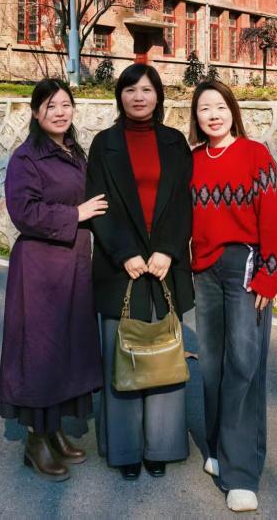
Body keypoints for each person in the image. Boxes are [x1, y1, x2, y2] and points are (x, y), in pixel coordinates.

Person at [86, 63, 194, 481]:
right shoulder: (104, 144)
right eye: (130, 90)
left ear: (158, 96)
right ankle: (125, 448)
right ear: (120, 96)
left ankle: (161, 446)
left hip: (165, 266)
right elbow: (98, 204)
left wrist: (169, 249)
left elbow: (184, 201)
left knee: (163, 354)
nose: (138, 97)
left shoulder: (174, 142)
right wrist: (124, 253)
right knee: (124, 356)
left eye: (147, 90)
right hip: (121, 268)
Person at [0, 78, 107, 480]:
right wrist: (75, 214)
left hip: (74, 264)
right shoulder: (26, 158)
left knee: (67, 348)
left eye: (65, 104)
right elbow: (24, 212)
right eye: (50, 106)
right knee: (41, 352)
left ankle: (54, 428)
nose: (60, 112)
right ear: (35, 112)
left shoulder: (74, 151)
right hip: (40, 269)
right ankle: (35, 440)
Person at [189, 80, 277, 513]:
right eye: (204, 108)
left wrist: (270, 275)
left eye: (219, 106)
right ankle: (217, 447)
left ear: (232, 110)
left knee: (244, 365)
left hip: (245, 267)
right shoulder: (193, 161)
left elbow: (272, 218)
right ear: (196, 117)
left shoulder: (255, 155)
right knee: (211, 364)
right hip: (205, 270)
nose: (213, 115)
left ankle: (242, 473)